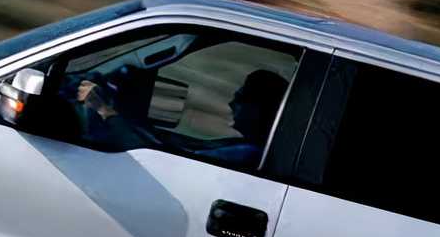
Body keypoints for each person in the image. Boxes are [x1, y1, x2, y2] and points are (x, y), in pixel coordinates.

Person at [76, 68, 288, 169]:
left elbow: (157, 162)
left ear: (261, 108)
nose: (231, 104)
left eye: (240, 99)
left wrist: (104, 110)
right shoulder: (242, 146)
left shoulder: (247, 154)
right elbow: (171, 149)